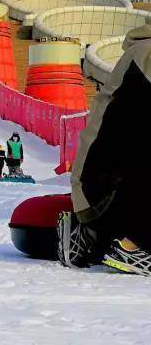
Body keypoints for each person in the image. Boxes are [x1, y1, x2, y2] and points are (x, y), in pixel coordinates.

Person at [61, 22, 151, 274]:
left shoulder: (141, 50)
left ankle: (94, 237)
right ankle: (136, 246)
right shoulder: (147, 53)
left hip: (99, 193)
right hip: (106, 191)